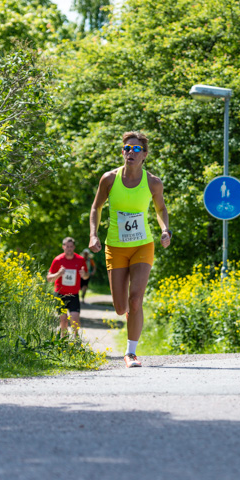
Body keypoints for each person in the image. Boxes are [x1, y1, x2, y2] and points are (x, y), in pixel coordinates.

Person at [89, 131, 171, 368]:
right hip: (115, 246)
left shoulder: (153, 182)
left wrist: (166, 230)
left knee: (136, 301)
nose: (130, 153)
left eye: (136, 149)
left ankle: (131, 352)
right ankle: (127, 316)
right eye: (127, 148)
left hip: (142, 245)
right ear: (122, 152)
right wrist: (93, 235)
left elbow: (161, 209)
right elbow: (96, 208)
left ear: (144, 155)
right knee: (120, 307)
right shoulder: (109, 179)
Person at [47, 237, 89, 339]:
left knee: (75, 318)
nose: (69, 248)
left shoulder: (80, 260)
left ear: (74, 247)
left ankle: (76, 338)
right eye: (67, 246)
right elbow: (49, 278)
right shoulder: (58, 260)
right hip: (60, 294)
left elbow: (86, 276)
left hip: (74, 294)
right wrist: (59, 273)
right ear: (63, 247)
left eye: (71, 246)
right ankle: (63, 339)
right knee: (63, 319)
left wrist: (84, 274)